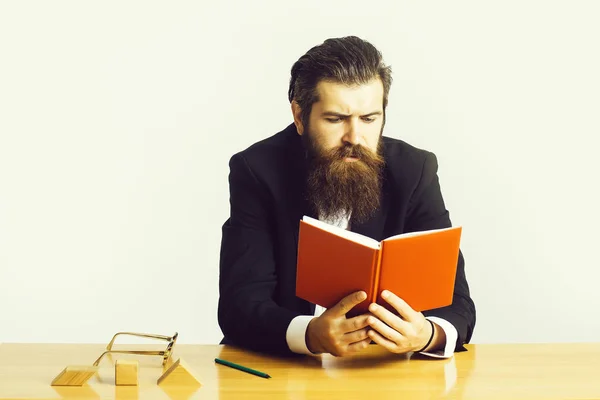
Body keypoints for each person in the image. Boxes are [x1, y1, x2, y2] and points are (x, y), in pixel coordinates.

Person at [217, 36, 475, 358]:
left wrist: (427, 335)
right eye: (336, 119)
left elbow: (457, 303)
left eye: (369, 119)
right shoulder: (256, 170)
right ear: (299, 116)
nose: (355, 138)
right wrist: (309, 334)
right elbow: (239, 306)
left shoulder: (415, 169)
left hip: (385, 374)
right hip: (283, 373)